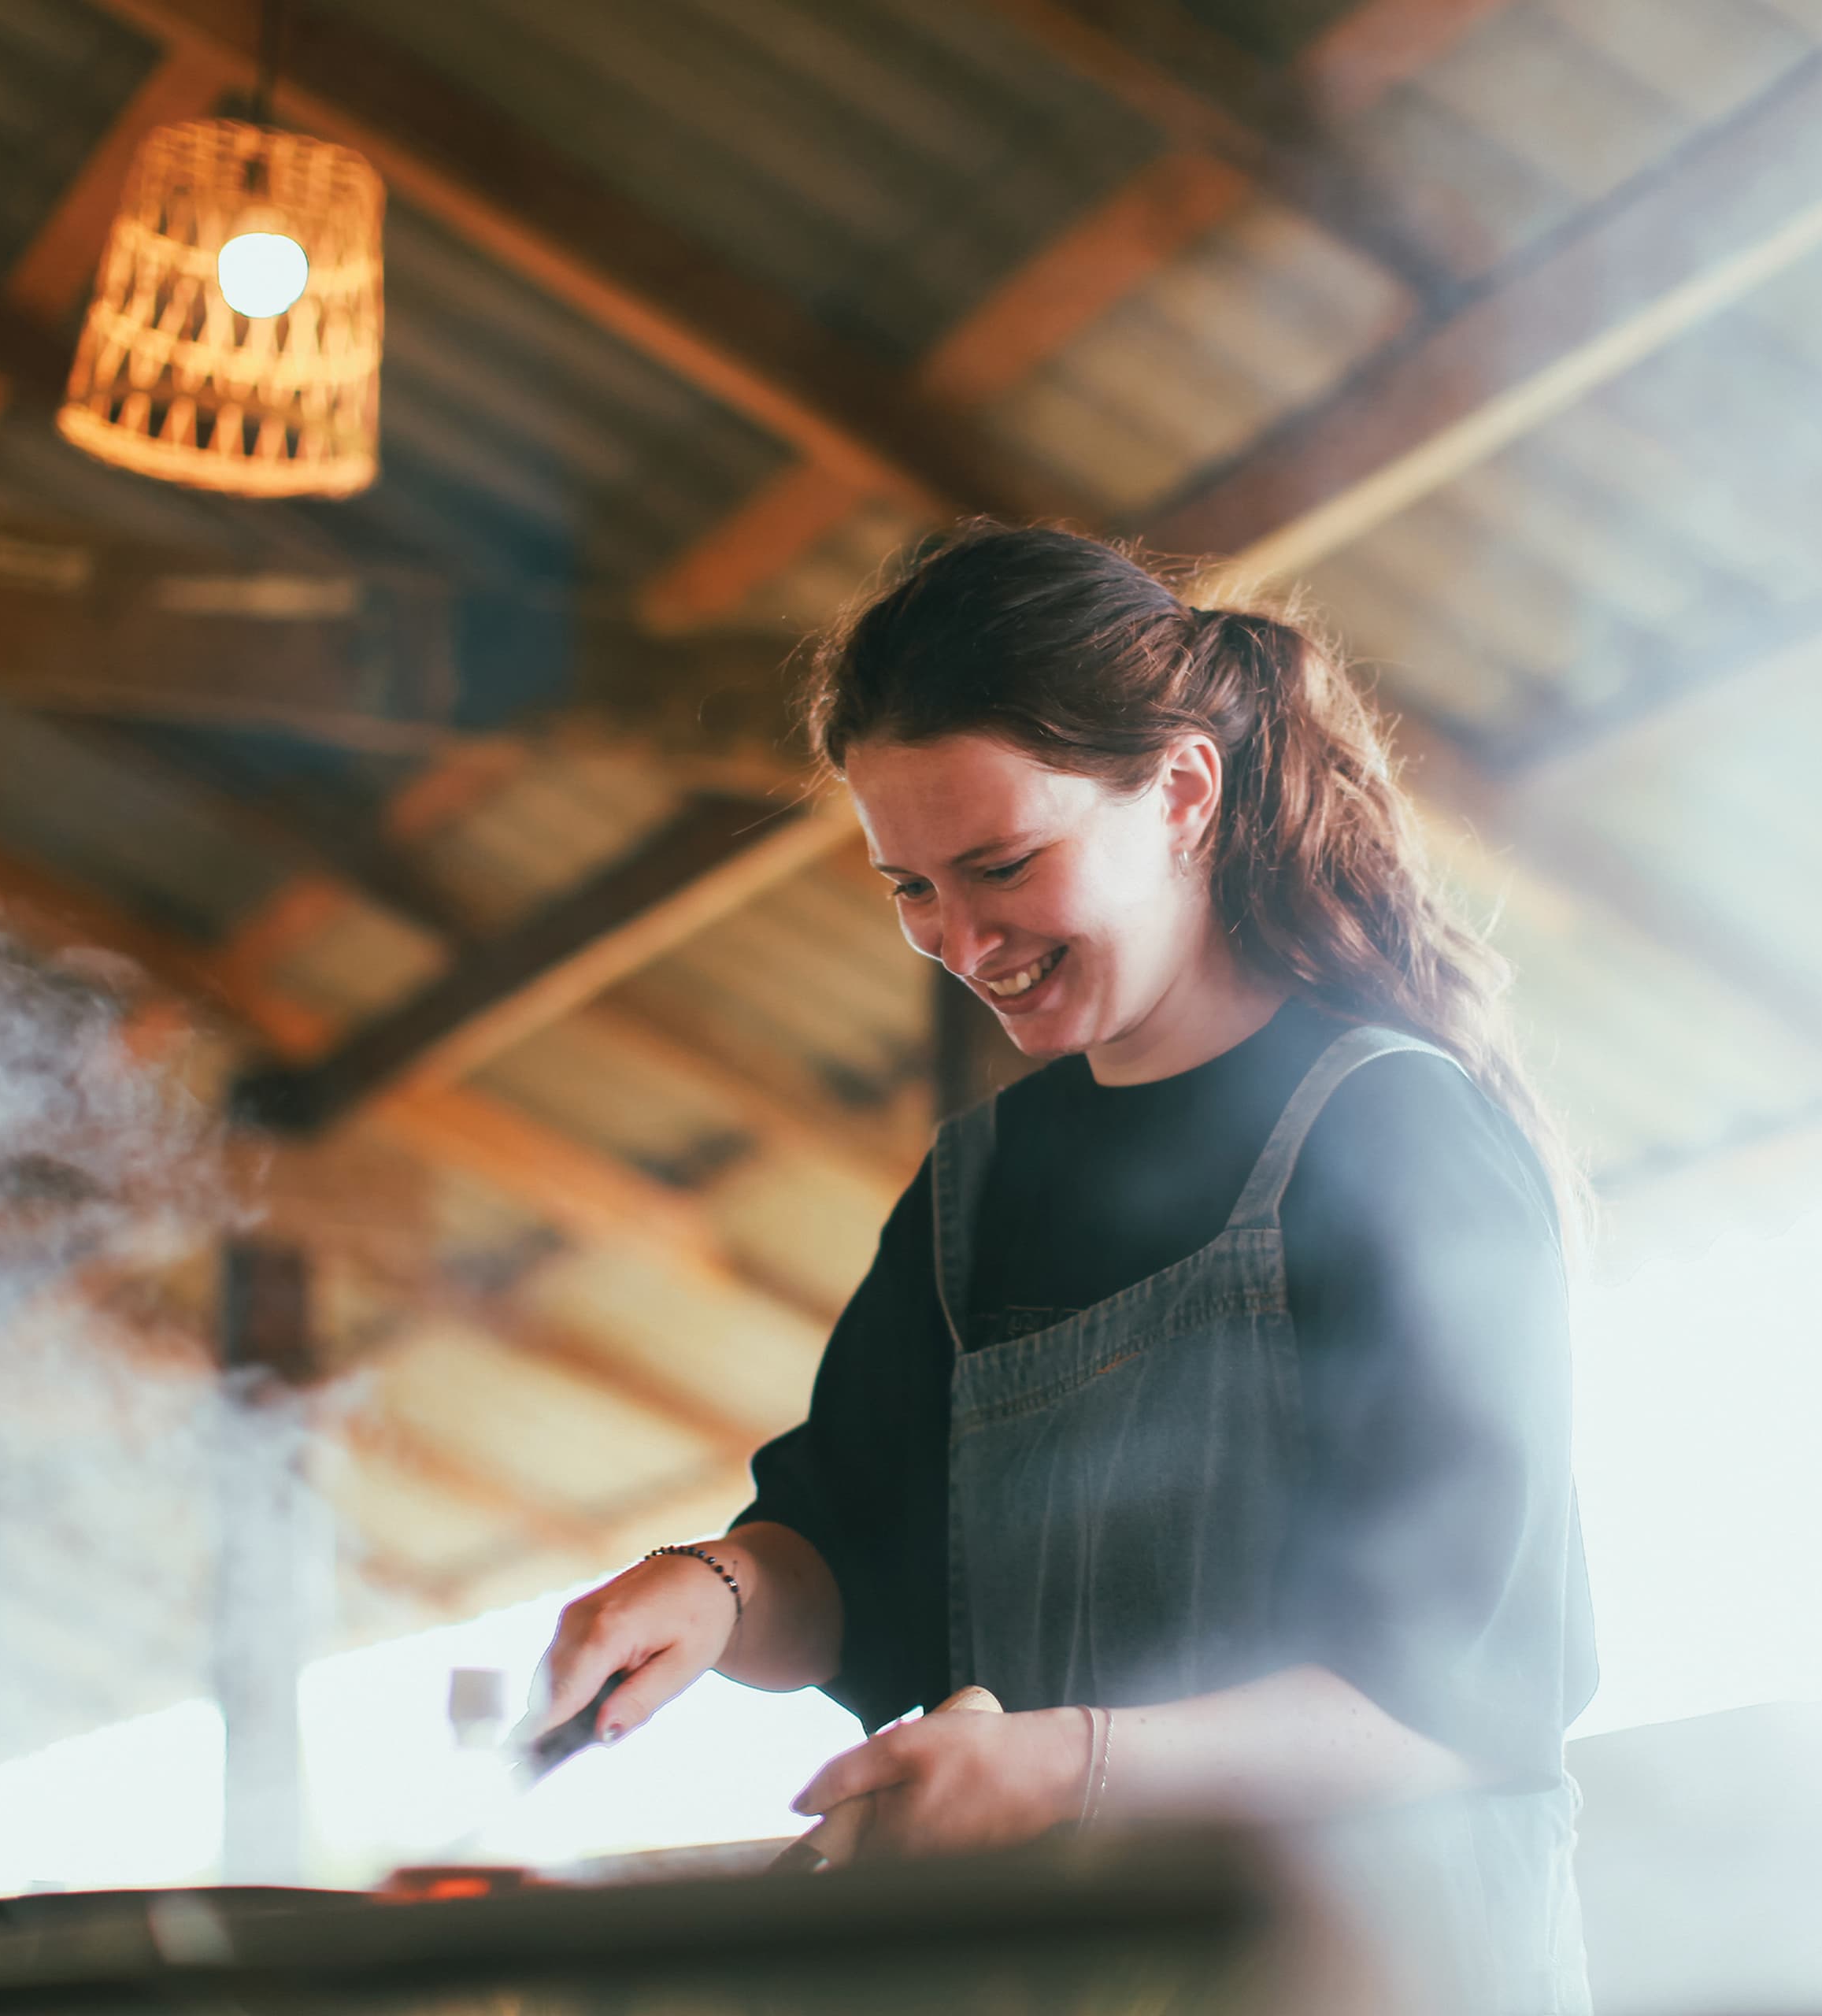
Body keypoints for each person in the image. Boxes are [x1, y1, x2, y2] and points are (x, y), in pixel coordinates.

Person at [533, 525, 1598, 2011]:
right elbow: (850, 1555)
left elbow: (1456, 1702)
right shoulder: (980, 1187)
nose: (963, 942)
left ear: (1180, 793)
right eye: (909, 888)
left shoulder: (1400, 1137)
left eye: (1003, 864)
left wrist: (1071, 1766)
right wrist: (710, 1592)